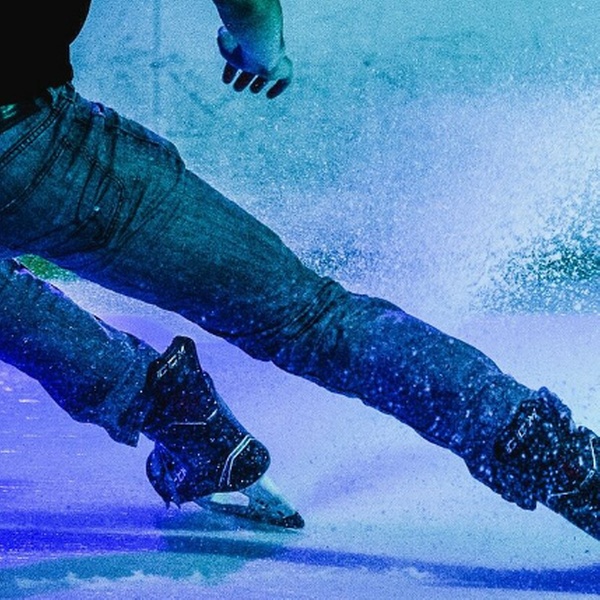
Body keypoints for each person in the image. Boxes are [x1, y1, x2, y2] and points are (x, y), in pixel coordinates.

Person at [0, 0, 597, 541]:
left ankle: (178, 416)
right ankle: (567, 467)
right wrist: (262, 49)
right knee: (308, 318)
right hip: (32, 146)